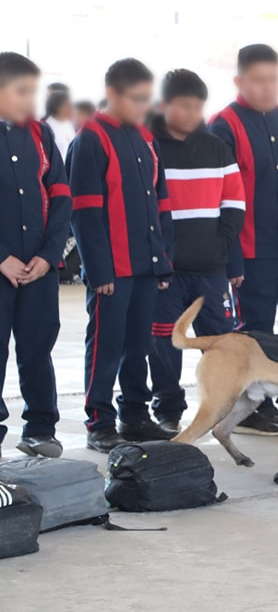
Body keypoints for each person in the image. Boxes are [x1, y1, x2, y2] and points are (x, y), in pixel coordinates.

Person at [209, 44, 278, 434]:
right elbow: (220, 200)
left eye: (273, 79)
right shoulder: (223, 126)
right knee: (256, 334)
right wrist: (232, 259)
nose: (267, 87)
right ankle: (251, 408)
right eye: (258, 80)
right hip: (252, 253)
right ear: (239, 81)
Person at [68, 58, 176, 452]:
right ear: (112, 93)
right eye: (136, 98)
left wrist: (162, 261)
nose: (144, 106)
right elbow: (84, 213)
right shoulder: (91, 139)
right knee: (106, 346)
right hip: (112, 270)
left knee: (139, 346)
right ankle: (99, 421)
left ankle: (134, 415)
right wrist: (99, 271)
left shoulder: (146, 137)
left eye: (147, 98)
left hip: (146, 265)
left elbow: (161, 205)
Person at [147, 69, 245, 433]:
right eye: (183, 106)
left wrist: (222, 249)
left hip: (210, 270)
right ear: (164, 105)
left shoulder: (217, 148)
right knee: (164, 342)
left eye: (197, 106)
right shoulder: (151, 148)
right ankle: (168, 409)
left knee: (221, 340)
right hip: (166, 272)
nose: (191, 113)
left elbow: (234, 204)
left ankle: (224, 407)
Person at [0, 53, 71, 458]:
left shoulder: (40, 135)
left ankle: (41, 428)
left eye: (33, 92)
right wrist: (2, 257)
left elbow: (60, 195)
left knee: (37, 349)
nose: (30, 101)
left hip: (39, 268)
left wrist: (49, 254)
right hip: (2, 267)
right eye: (21, 91)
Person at [43, 90, 75, 159]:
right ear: (56, 106)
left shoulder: (70, 124)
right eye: (67, 105)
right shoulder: (46, 126)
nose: (70, 109)